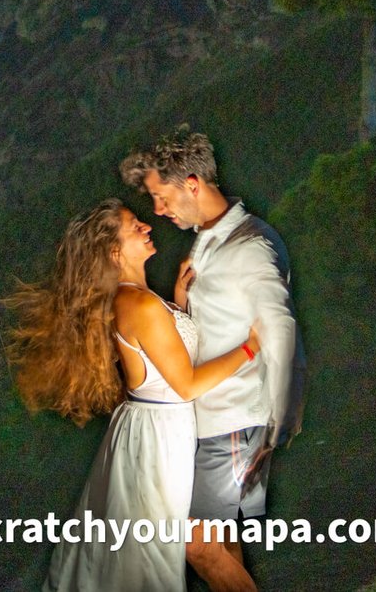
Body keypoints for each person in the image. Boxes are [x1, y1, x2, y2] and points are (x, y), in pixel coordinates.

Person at [3, 199, 261, 592]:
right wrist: (250, 348)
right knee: (171, 551)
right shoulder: (139, 304)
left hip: (154, 429)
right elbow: (186, 385)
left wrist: (178, 302)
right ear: (114, 251)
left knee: (206, 538)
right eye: (133, 225)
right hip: (161, 440)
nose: (145, 225)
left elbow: (157, 359)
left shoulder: (138, 298)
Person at [120, 129, 304, 592]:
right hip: (210, 420)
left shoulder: (250, 246)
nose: (158, 211)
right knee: (222, 547)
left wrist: (279, 425)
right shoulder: (208, 238)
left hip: (234, 422)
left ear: (193, 184)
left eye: (162, 198)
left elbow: (279, 329)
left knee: (196, 545)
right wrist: (183, 304)